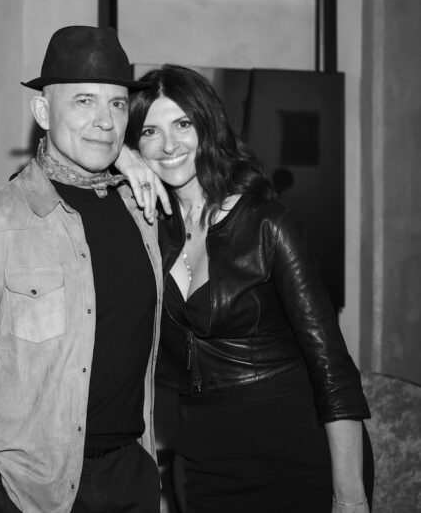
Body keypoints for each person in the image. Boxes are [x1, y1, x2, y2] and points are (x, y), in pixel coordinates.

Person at [0, 26, 166, 513]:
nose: (105, 121)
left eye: (117, 104)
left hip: (133, 477)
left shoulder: (143, 211)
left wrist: (130, 158)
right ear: (44, 111)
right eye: (84, 102)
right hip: (33, 492)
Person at [121, 63, 373, 513]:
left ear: (208, 126)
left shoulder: (268, 224)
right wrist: (119, 157)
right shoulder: (149, 229)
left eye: (183, 124)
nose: (169, 144)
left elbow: (332, 368)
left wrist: (349, 497)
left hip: (295, 453)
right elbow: (70, 180)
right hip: (204, 462)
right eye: (150, 132)